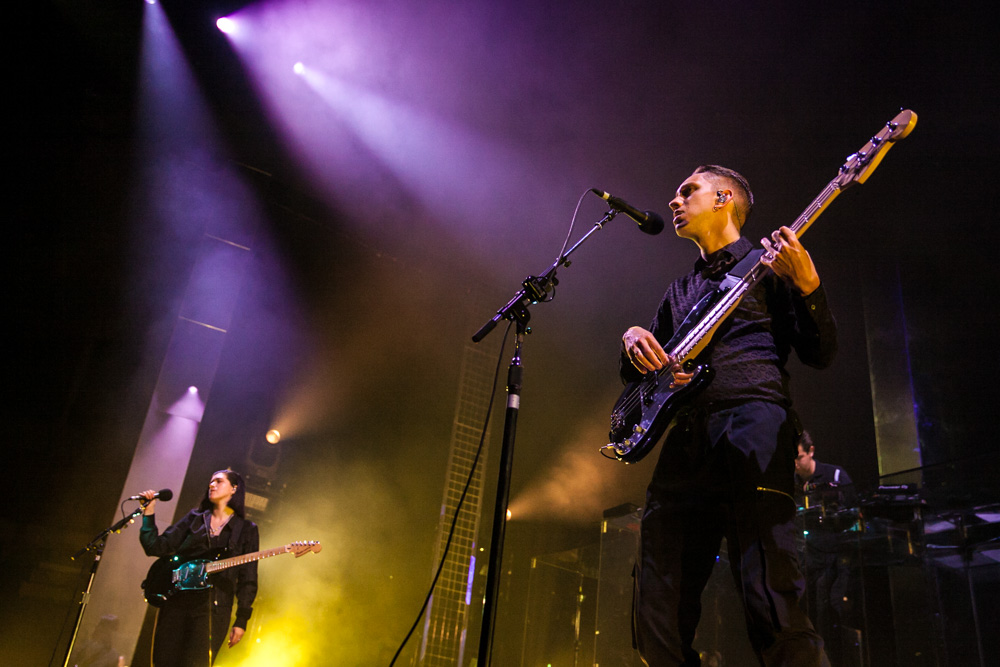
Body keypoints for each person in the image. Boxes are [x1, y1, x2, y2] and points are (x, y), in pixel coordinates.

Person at [620, 165, 837, 666]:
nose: (674, 200)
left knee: (771, 595)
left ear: (723, 198)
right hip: (687, 441)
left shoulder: (770, 264)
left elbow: (821, 352)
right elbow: (639, 377)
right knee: (658, 602)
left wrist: (809, 286)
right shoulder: (679, 291)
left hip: (754, 425)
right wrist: (632, 339)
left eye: (687, 191)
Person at [139, 469, 259, 667]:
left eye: (218, 481)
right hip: (177, 602)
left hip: (214, 609)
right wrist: (149, 511)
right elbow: (156, 547)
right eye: (211, 482)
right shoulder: (194, 518)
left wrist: (241, 619)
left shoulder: (246, 530)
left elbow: (248, 577)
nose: (211, 485)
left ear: (234, 489)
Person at [793, 431, 857, 665]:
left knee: (831, 611)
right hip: (809, 563)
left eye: (798, 457)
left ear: (811, 452)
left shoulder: (836, 475)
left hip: (836, 561)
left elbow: (855, 515)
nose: (795, 464)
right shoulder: (793, 485)